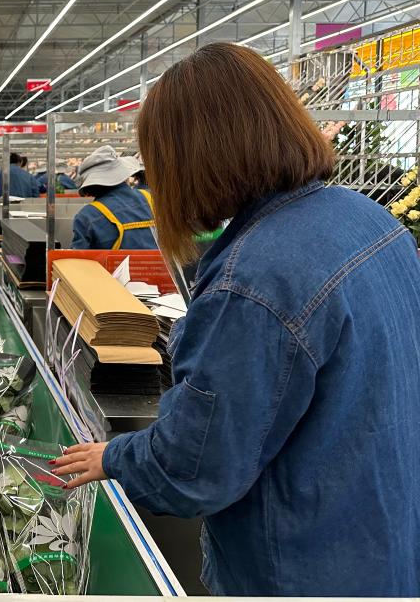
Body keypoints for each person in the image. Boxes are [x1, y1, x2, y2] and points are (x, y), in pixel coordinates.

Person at [52, 43, 420, 596]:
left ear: (190, 161)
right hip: (383, 545)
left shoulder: (253, 283)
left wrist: (117, 456)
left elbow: (195, 467)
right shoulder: (371, 220)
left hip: (299, 571)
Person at [70, 145, 156, 250]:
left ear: (90, 186)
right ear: (123, 174)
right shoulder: (151, 199)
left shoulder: (87, 216)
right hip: (161, 261)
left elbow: (77, 258)